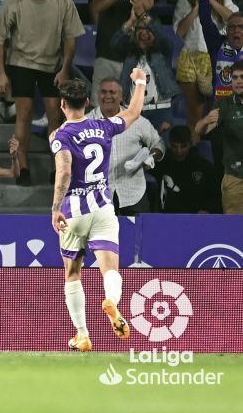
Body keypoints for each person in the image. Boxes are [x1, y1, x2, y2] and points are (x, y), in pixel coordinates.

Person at [49, 69, 148, 352]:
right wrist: (139, 81)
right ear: (89, 103)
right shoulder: (105, 127)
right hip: (104, 207)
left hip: (74, 212)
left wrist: (56, 207)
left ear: (62, 105)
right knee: (110, 269)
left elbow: (65, 169)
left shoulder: (60, 135)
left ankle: (82, 334)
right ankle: (112, 302)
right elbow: (133, 112)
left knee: (73, 274)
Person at [0, 0, 86, 185]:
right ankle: (22, 168)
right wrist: (0, 73)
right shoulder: (15, 1)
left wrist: (64, 69)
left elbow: (71, 40)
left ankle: (57, 169)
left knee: (55, 114)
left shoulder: (62, 0)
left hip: (52, 65)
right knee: (24, 113)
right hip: (21, 62)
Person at [173, 0, 238, 134]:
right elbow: (179, 31)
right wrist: (197, 5)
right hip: (191, 58)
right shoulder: (184, 0)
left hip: (220, 56)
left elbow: (235, 19)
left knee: (220, 111)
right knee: (196, 112)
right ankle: (193, 150)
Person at [88, 78, 164, 215]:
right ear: (97, 95)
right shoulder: (86, 123)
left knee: (140, 236)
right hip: (97, 195)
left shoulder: (137, 121)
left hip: (133, 193)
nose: (108, 96)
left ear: (121, 96)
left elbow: (158, 143)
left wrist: (151, 157)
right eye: (104, 92)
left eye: (112, 92)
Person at [89, 0, 156, 99]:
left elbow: (146, 5)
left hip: (135, 58)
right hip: (106, 56)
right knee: (100, 108)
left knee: (133, 108)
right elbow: (97, 7)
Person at [111, 14, 180, 132]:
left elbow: (164, 39)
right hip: (134, 111)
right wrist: (131, 21)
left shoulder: (163, 51)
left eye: (148, 30)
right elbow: (114, 44)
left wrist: (149, 21)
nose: (143, 33)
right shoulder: (129, 52)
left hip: (160, 111)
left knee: (160, 148)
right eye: (139, 30)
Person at [194, 60, 243, 214]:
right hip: (235, 178)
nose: (238, 81)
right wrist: (205, 121)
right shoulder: (225, 104)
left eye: (242, 77)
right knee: (233, 231)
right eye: (235, 77)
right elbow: (200, 130)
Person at [152, 125, 222, 214]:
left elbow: (214, 195)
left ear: (190, 144)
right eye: (175, 146)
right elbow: (139, 160)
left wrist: (208, 210)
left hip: (195, 220)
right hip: (167, 219)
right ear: (169, 144)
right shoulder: (163, 162)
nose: (179, 151)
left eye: (183, 146)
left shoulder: (204, 167)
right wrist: (156, 135)